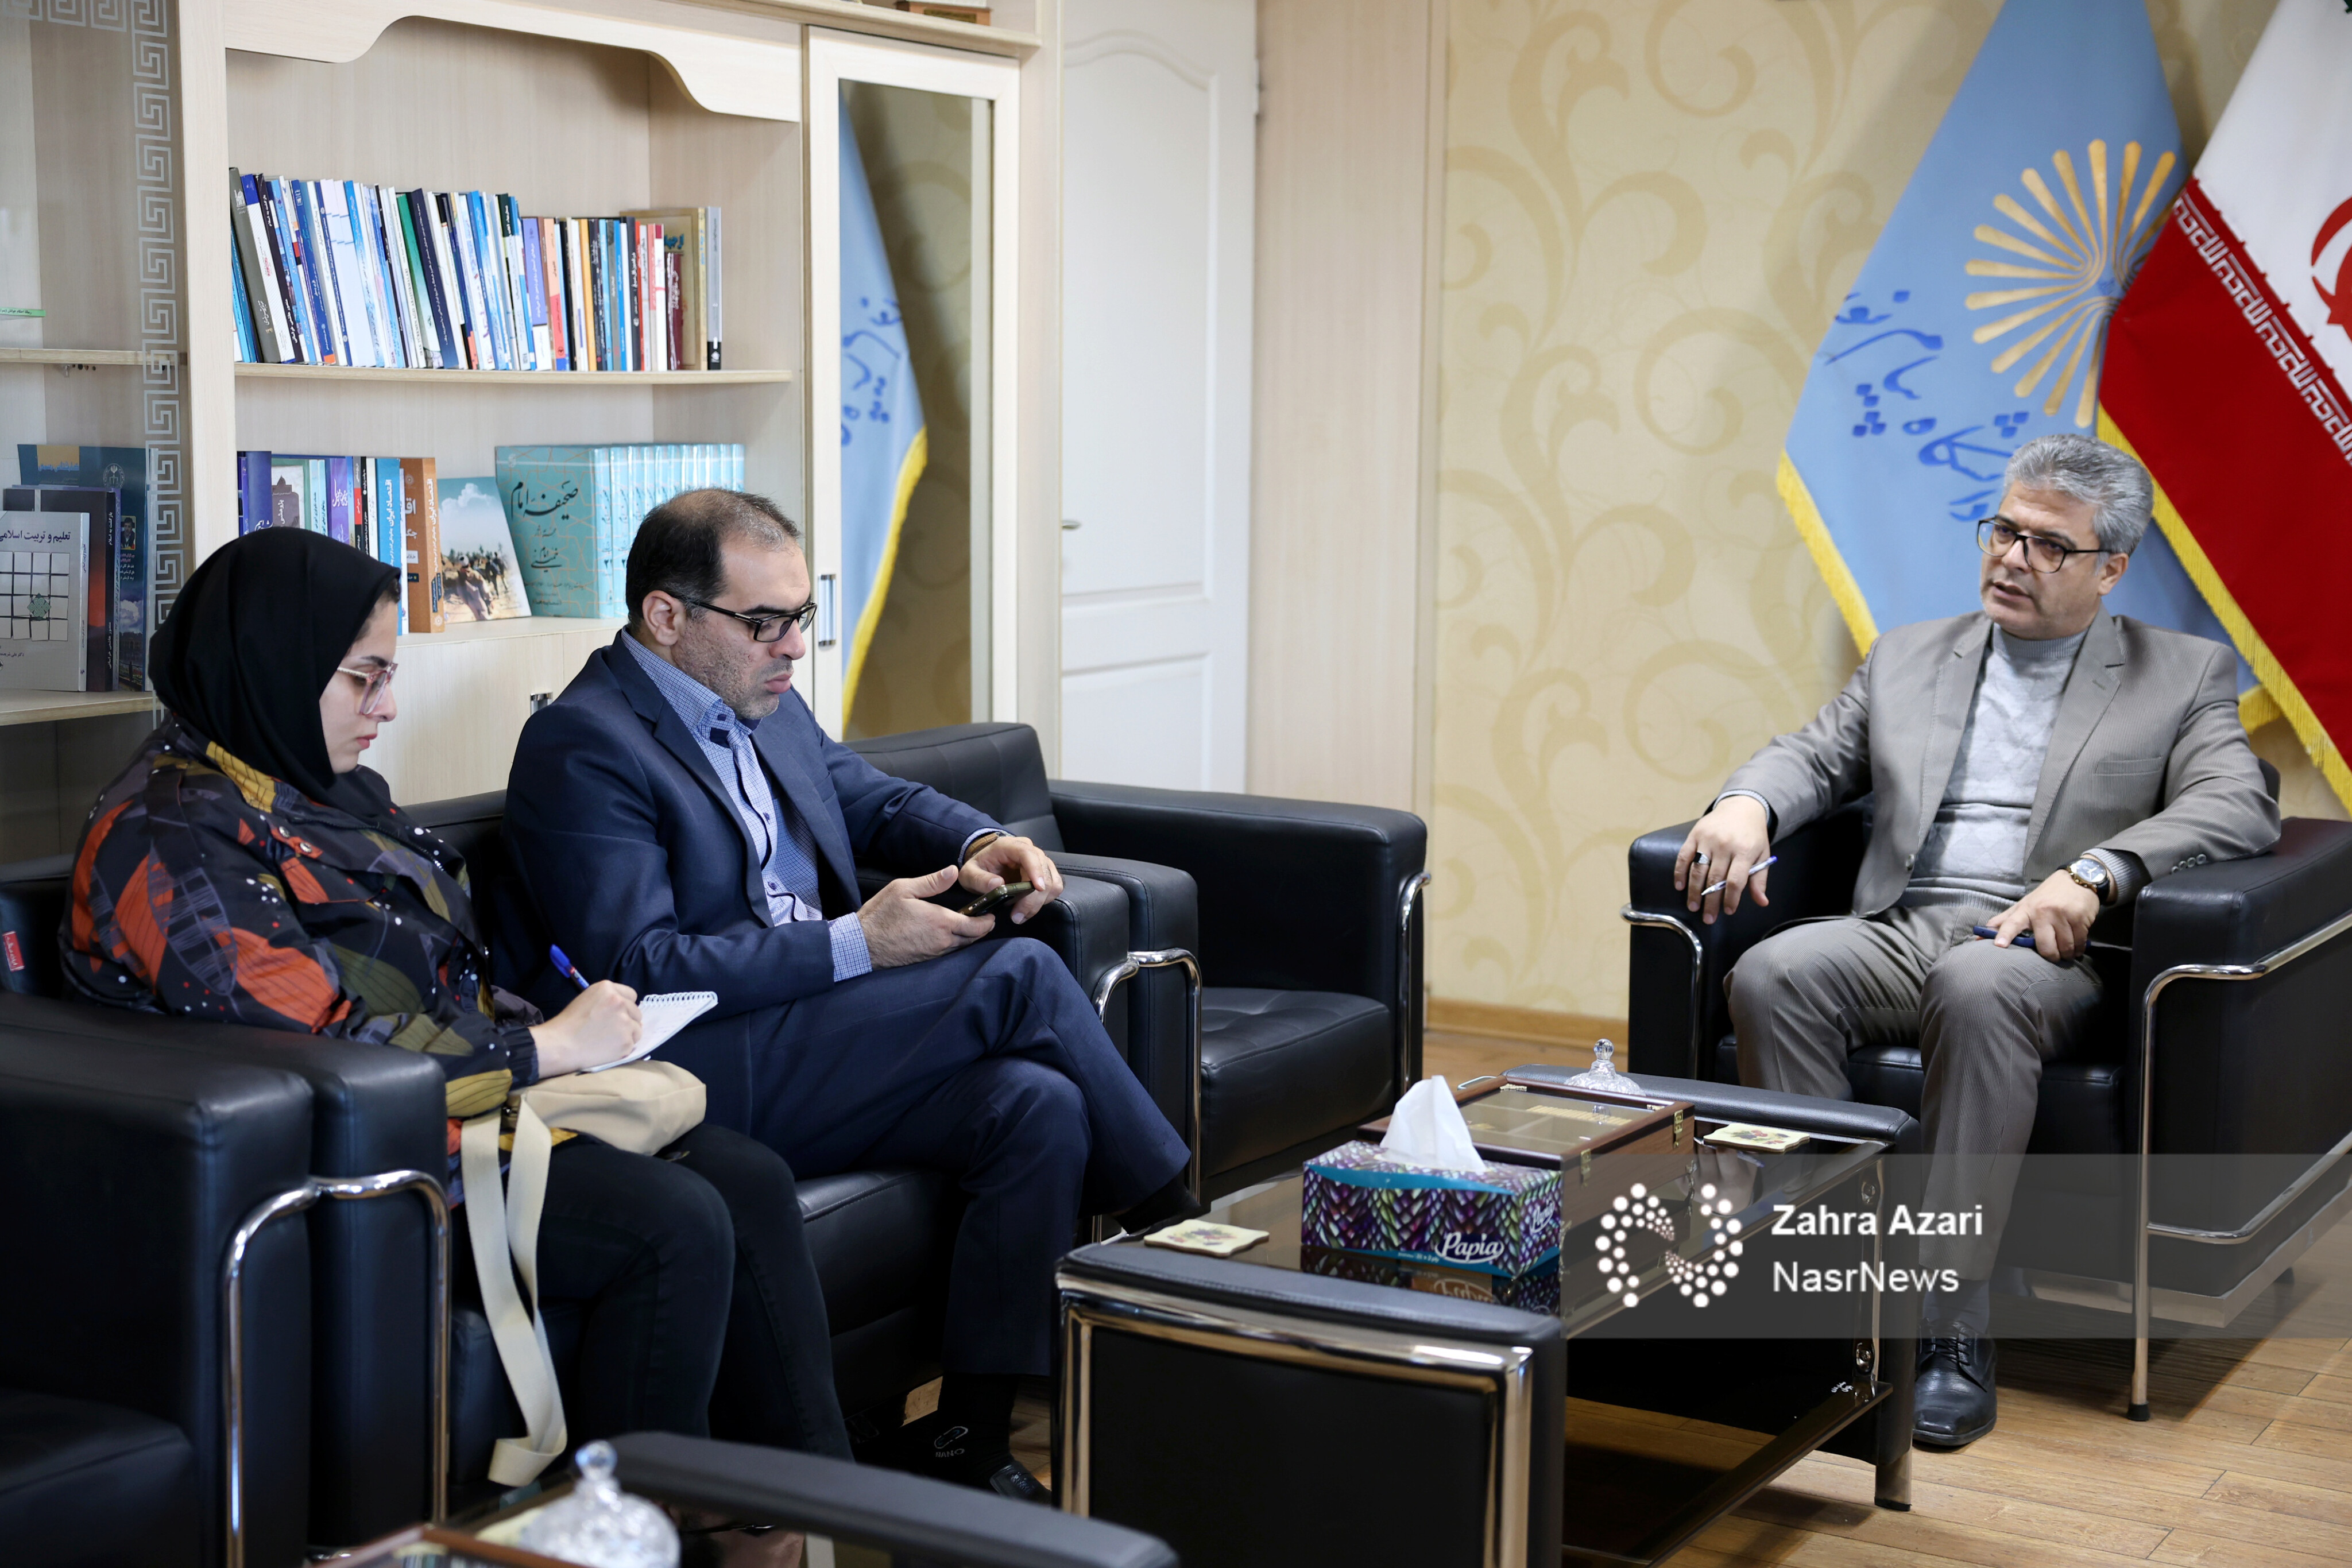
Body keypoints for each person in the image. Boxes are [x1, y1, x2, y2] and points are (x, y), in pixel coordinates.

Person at [60, 526, 850, 1462]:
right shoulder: (168, 839)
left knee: (746, 1176)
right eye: (364, 679)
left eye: (388, 675)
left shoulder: (322, 788)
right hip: (367, 1164)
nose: (389, 707)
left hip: (482, 1115)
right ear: (273, 667)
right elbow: (322, 1044)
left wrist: (555, 1030)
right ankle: (640, 1522)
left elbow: (440, 967)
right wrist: (548, 1047)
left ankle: (795, 1511)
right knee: (674, 1224)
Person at [499, 488, 1193, 1501]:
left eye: (801, 617)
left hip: (811, 1037)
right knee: (1022, 971)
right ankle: (1178, 1231)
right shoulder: (584, 742)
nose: (792, 646)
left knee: (1034, 1105)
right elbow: (641, 968)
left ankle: (968, 1437)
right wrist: (857, 943)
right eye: (764, 622)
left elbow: (873, 798)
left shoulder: (764, 698)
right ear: (666, 617)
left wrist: (981, 840)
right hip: (700, 1058)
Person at [1677, 432, 2277, 1449]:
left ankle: (1950, 1321)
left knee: (1978, 984)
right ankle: (1842, 1296)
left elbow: (2238, 802)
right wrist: (1746, 805)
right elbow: (1813, 757)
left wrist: (2097, 874)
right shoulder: (1911, 654)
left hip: (2044, 952)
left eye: (2049, 546)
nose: (2011, 558)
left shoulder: (2179, 674)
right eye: (2004, 530)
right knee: (1775, 972)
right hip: (1903, 924)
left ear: (2110, 569)